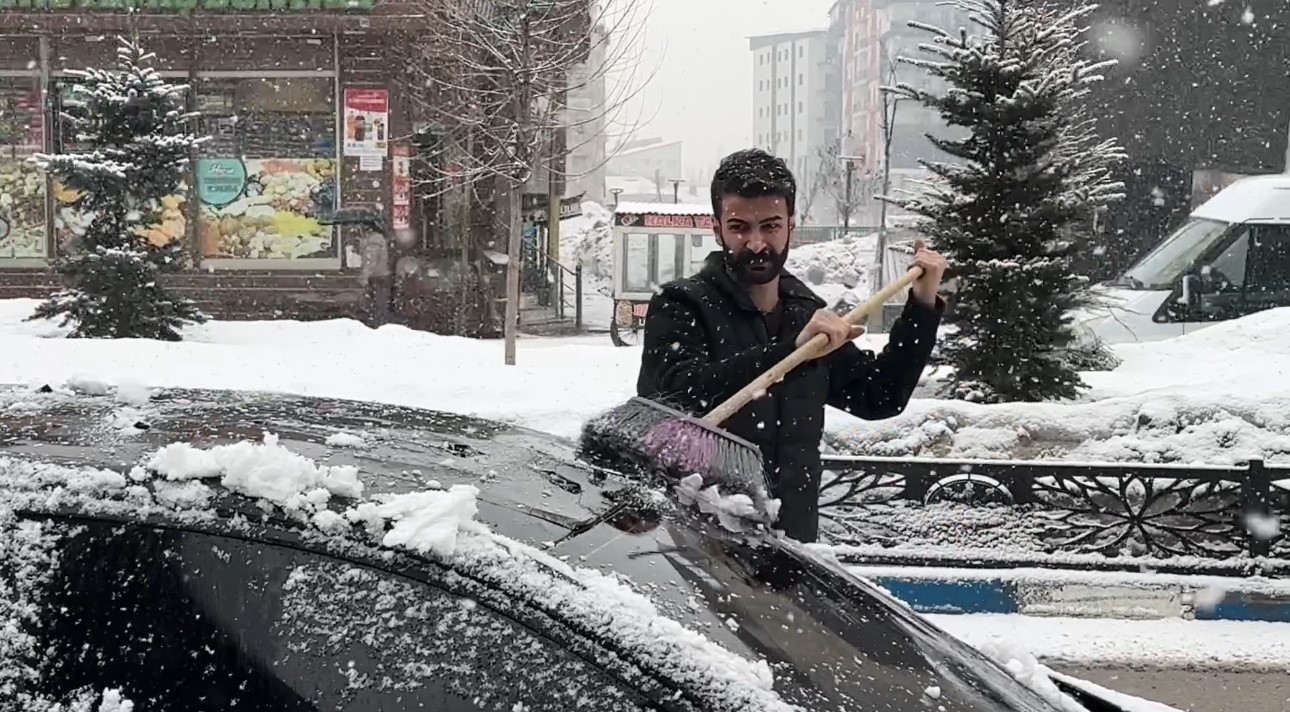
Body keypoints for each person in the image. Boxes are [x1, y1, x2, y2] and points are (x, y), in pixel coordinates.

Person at [636, 148, 947, 543]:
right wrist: (790, 352)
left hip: (792, 547)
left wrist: (922, 305)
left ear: (791, 228)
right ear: (717, 229)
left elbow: (880, 396)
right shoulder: (683, 307)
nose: (756, 242)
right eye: (739, 227)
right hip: (703, 548)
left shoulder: (806, 312)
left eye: (770, 226)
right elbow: (676, 395)